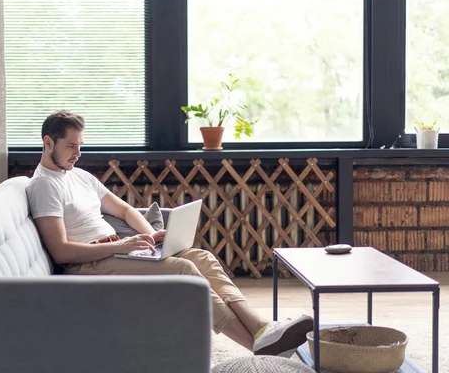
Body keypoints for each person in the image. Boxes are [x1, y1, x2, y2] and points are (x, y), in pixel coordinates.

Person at [26, 109, 314, 356]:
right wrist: (122, 247)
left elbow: (126, 211)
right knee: (182, 268)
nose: (78, 154)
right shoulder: (44, 185)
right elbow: (62, 251)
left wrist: (152, 235)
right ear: (48, 142)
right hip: (87, 264)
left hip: (118, 251)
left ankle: (262, 328)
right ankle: (257, 347)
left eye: (80, 146)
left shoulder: (79, 176)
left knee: (202, 257)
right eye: (71, 146)